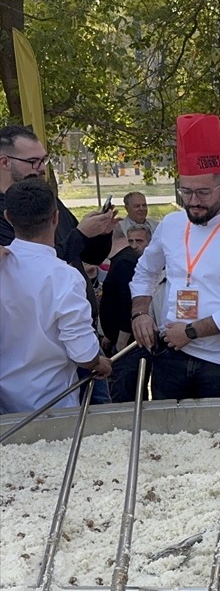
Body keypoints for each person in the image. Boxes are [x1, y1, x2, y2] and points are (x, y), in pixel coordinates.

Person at [129, 114, 220, 399]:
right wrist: (140, 312)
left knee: (219, 440)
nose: (193, 201)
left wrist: (191, 332)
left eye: (203, 192)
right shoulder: (170, 225)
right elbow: (145, 271)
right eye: (186, 191)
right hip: (170, 353)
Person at [0, 180, 112, 413]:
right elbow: (82, 351)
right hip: (54, 402)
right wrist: (98, 363)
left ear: (8, 217)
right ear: (55, 218)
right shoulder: (65, 277)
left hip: (6, 402)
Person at [0, 125, 117, 308]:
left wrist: (101, 232)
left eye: (44, 160)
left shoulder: (48, 199)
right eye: (33, 161)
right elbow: (28, 268)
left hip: (77, 313)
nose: (41, 169)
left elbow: (89, 256)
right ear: (5, 162)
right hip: (42, 322)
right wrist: (81, 234)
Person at [100, 225, 151, 403]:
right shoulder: (121, 260)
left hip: (128, 347)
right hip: (119, 340)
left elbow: (126, 304)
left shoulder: (124, 262)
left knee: (124, 397)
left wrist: (121, 342)